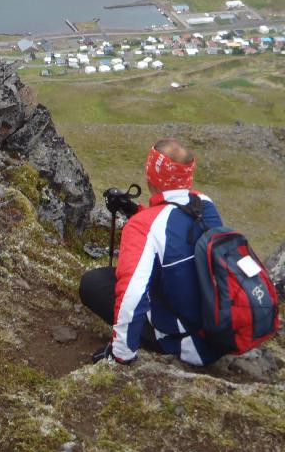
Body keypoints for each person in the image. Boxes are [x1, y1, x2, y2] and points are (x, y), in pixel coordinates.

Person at [79, 138, 226, 366]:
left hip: (191, 345)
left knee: (94, 283)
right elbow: (174, 230)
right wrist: (134, 210)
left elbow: (133, 294)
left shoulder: (144, 227)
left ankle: (155, 340)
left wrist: (120, 355)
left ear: (152, 176)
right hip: (219, 331)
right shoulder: (204, 204)